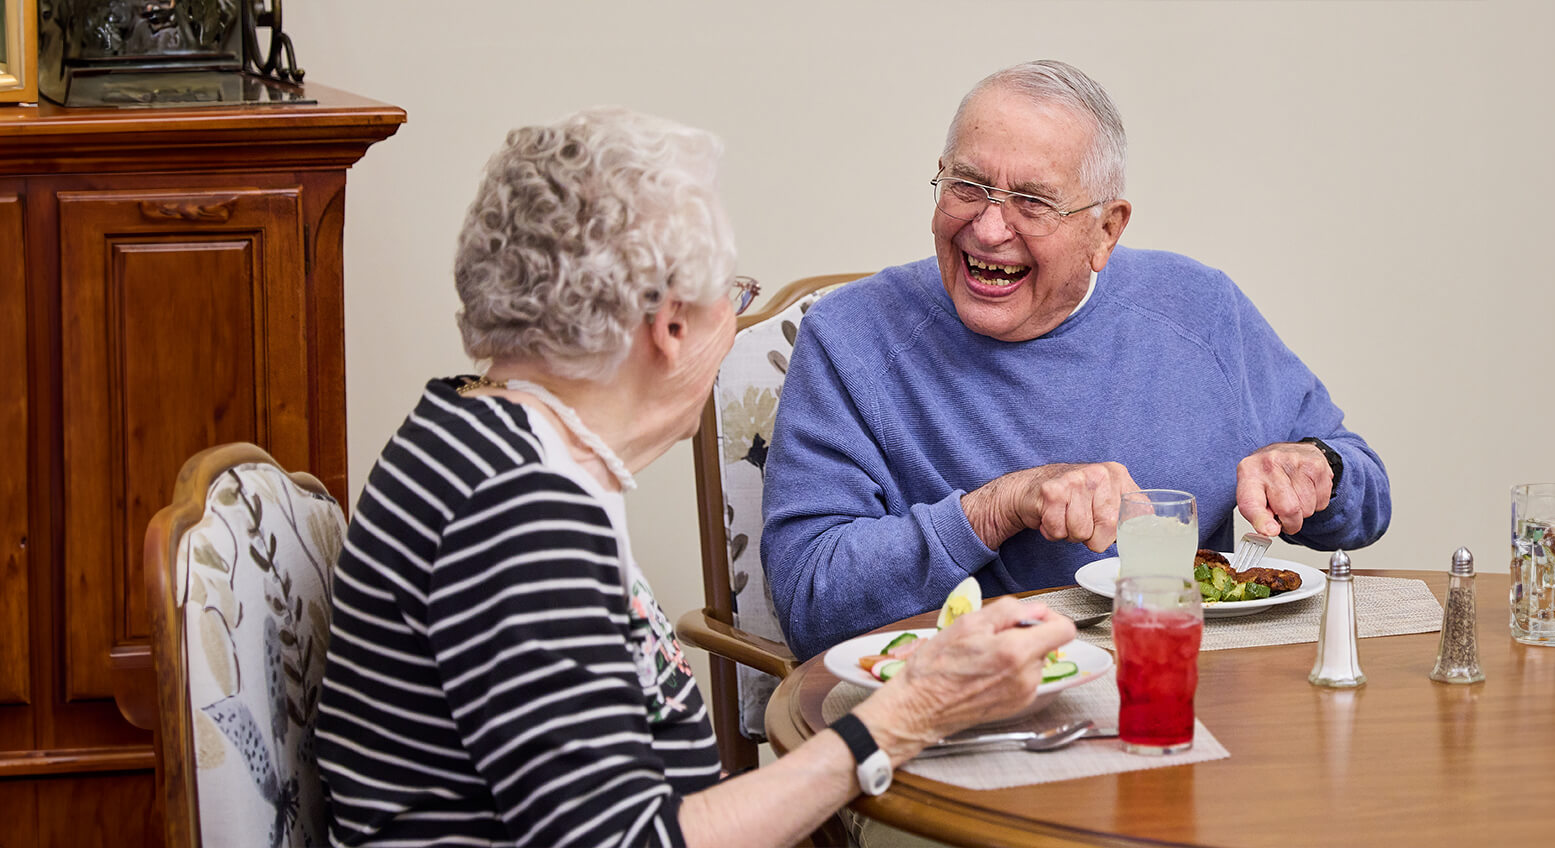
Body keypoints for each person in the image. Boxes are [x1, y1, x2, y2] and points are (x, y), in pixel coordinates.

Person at [314, 107, 1075, 848]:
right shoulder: (520, 511)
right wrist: (910, 713)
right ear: (671, 327)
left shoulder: (474, 436)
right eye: (734, 297)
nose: (732, 321)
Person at [761, 60, 1392, 660]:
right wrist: (999, 506)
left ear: (1106, 231)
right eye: (968, 187)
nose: (987, 229)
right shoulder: (849, 337)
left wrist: (1318, 471)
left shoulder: (1201, 309)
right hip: (963, 716)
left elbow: (1367, 499)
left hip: (1180, 696)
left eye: (1033, 202)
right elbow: (809, 601)